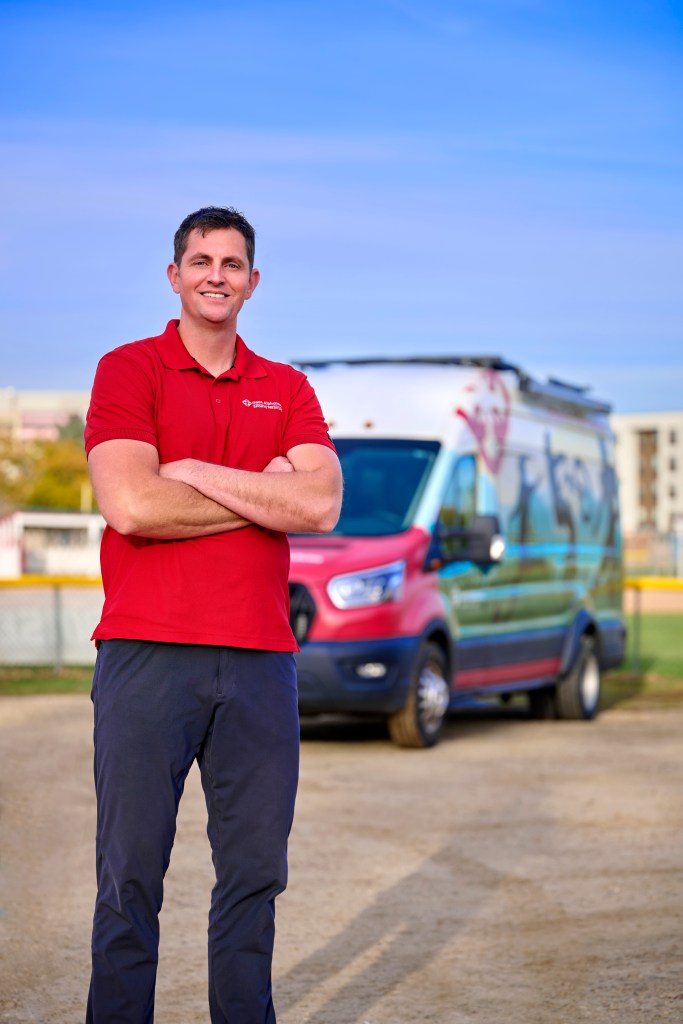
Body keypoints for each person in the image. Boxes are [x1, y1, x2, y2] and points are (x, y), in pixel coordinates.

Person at [84, 206, 343, 1023]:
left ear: (252, 282)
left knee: (255, 876)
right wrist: (264, 493)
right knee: (130, 875)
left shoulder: (286, 386)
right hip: (147, 652)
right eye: (201, 261)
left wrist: (192, 472)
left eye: (232, 264)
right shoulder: (129, 370)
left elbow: (324, 503)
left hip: (262, 659)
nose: (216, 276)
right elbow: (131, 505)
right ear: (174, 275)